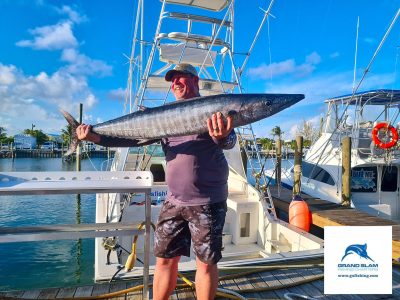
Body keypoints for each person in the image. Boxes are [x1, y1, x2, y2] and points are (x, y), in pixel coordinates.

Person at [76, 63, 236, 300]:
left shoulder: (213, 111)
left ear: (195, 80)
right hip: (174, 201)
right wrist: (94, 137)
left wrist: (223, 137)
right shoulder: (164, 117)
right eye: (173, 80)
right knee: (164, 261)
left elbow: (229, 139)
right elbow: (130, 140)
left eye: (181, 78)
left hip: (207, 202)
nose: (176, 83)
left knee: (205, 264)